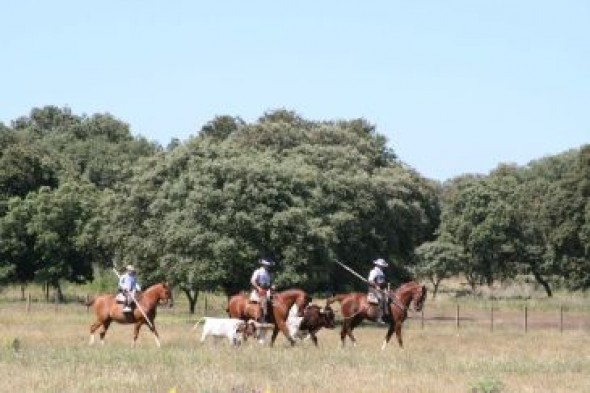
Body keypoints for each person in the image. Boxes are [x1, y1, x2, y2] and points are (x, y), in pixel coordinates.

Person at [250, 258, 274, 322]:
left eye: (269, 266)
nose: (268, 267)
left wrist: (272, 287)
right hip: (259, 289)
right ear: (264, 265)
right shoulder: (258, 271)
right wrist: (258, 288)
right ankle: (263, 317)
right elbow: (252, 281)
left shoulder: (268, 273)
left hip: (266, 290)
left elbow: (268, 284)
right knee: (264, 300)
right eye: (267, 265)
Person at [367, 258, 388, 324]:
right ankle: (379, 317)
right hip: (374, 289)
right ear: (378, 265)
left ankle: (386, 314)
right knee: (381, 298)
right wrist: (376, 286)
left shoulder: (381, 272)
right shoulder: (374, 271)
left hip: (381, 289)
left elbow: (382, 282)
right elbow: (370, 280)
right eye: (382, 265)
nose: (383, 267)